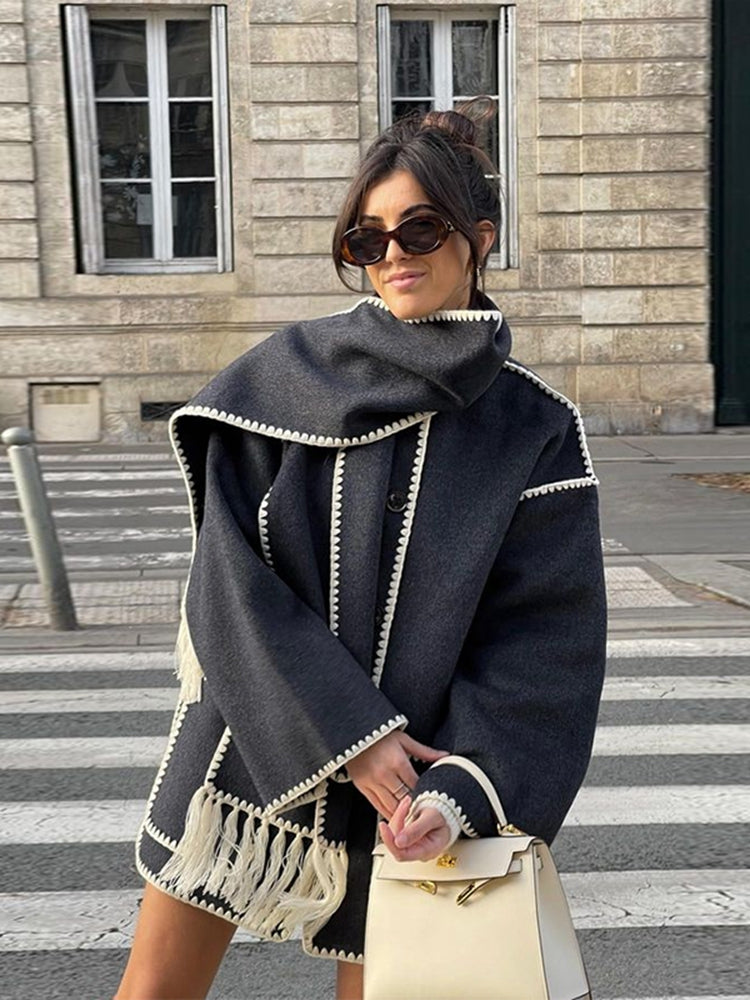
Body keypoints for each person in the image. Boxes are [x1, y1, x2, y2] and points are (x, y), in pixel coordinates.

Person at [114, 103, 607, 1000]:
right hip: (248, 746)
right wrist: (347, 731)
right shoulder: (285, 374)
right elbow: (227, 582)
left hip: (416, 785)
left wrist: (461, 788)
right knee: (154, 994)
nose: (394, 256)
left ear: (478, 237)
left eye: (420, 228)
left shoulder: (533, 427)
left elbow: (546, 642)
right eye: (367, 239)